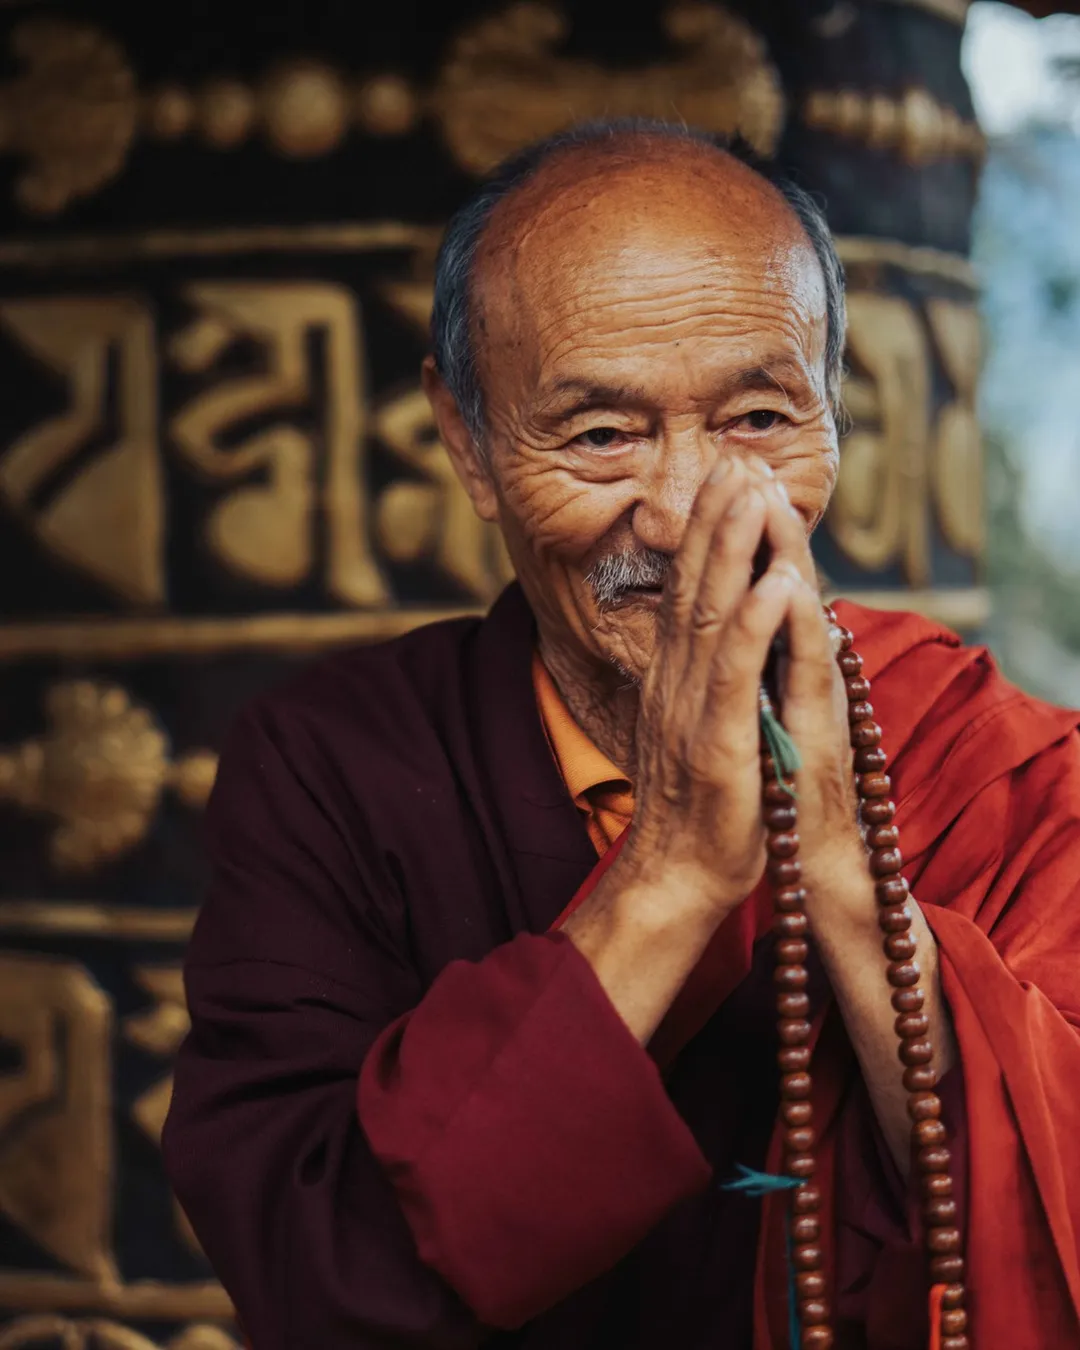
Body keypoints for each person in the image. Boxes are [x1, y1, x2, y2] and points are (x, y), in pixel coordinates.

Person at [162, 121, 1080, 1350]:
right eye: (601, 435)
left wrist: (847, 875)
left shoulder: (987, 757)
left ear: (834, 419)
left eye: (759, 417)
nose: (686, 509)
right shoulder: (338, 770)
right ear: (470, 443)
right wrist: (677, 869)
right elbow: (319, 1270)